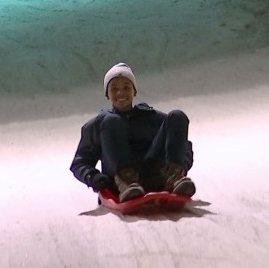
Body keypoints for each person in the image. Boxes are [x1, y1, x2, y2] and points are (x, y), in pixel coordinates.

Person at [70, 62, 196, 202]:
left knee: (177, 116)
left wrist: (182, 165)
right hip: (119, 183)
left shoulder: (153, 118)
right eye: (114, 89)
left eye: (126, 87)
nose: (121, 93)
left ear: (134, 91)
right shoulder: (98, 125)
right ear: (107, 94)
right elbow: (79, 163)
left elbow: (183, 146)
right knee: (112, 120)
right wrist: (94, 178)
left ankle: (174, 177)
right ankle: (126, 182)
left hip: (152, 174)